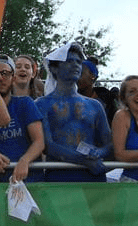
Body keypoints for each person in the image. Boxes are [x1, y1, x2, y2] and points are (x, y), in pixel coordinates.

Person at [35, 43, 112, 181]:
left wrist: (99, 152)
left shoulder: (95, 105)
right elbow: (48, 145)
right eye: (69, 61)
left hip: (93, 178)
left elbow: (109, 143)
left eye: (78, 62)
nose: (76, 65)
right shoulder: (41, 104)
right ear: (54, 68)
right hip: (59, 178)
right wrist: (83, 160)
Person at [0, 56, 46, 183]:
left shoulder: (25, 103)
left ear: (13, 78)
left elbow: (39, 141)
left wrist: (25, 160)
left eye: (5, 74)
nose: (0, 78)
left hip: (29, 182)